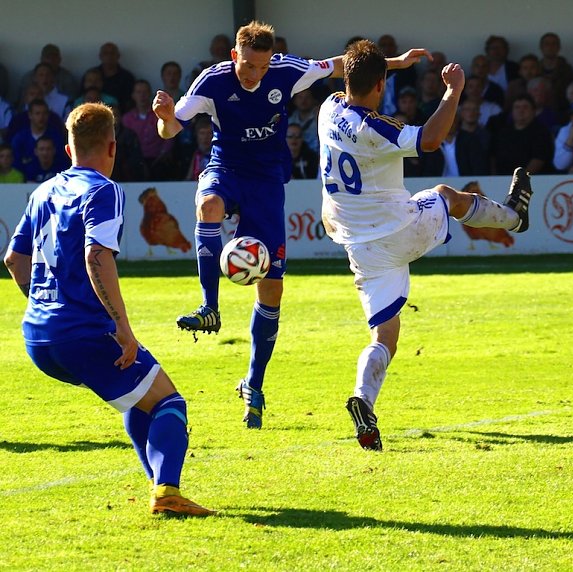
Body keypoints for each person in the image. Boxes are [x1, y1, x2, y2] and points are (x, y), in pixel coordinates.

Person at [152, 20, 427, 429]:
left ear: (270, 60)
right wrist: (163, 117)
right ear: (234, 56)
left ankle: (254, 384)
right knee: (208, 205)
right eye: (247, 66)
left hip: (266, 181)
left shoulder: (285, 71)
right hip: (225, 167)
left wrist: (394, 64)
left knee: (272, 289)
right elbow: (172, 127)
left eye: (261, 67)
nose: (254, 74)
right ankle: (210, 306)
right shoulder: (211, 82)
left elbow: (341, 65)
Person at [317, 39, 533, 451]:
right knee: (446, 195)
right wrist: (453, 92)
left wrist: (390, 64)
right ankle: (515, 217)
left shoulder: (328, 110)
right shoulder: (376, 128)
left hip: (357, 244)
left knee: (384, 337)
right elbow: (431, 140)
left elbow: (348, 71)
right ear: (381, 84)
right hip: (399, 229)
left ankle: (363, 400)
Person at [3, 102, 214, 516]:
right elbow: (97, 255)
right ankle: (167, 491)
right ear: (113, 148)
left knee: (140, 397)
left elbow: (14, 259)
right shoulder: (103, 189)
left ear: (68, 150)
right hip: (82, 333)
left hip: (38, 337)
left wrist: (45, 305)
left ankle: (159, 485)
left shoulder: (42, 191)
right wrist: (123, 328)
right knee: (170, 402)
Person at [123, 80, 174, 180]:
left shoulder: (160, 114)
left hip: (158, 161)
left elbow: (170, 136)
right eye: (138, 92)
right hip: (135, 164)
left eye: (145, 92)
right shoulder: (127, 119)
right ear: (133, 95)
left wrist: (163, 153)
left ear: (150, 94)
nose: (142, 95)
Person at [96, 42, 136, 113]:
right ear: (100, 56)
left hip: (121, 116)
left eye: (112, 53)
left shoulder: (127, 77)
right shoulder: (92, 75)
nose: (109, 56)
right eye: (106, 53)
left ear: (118, 56)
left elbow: (131, 101)